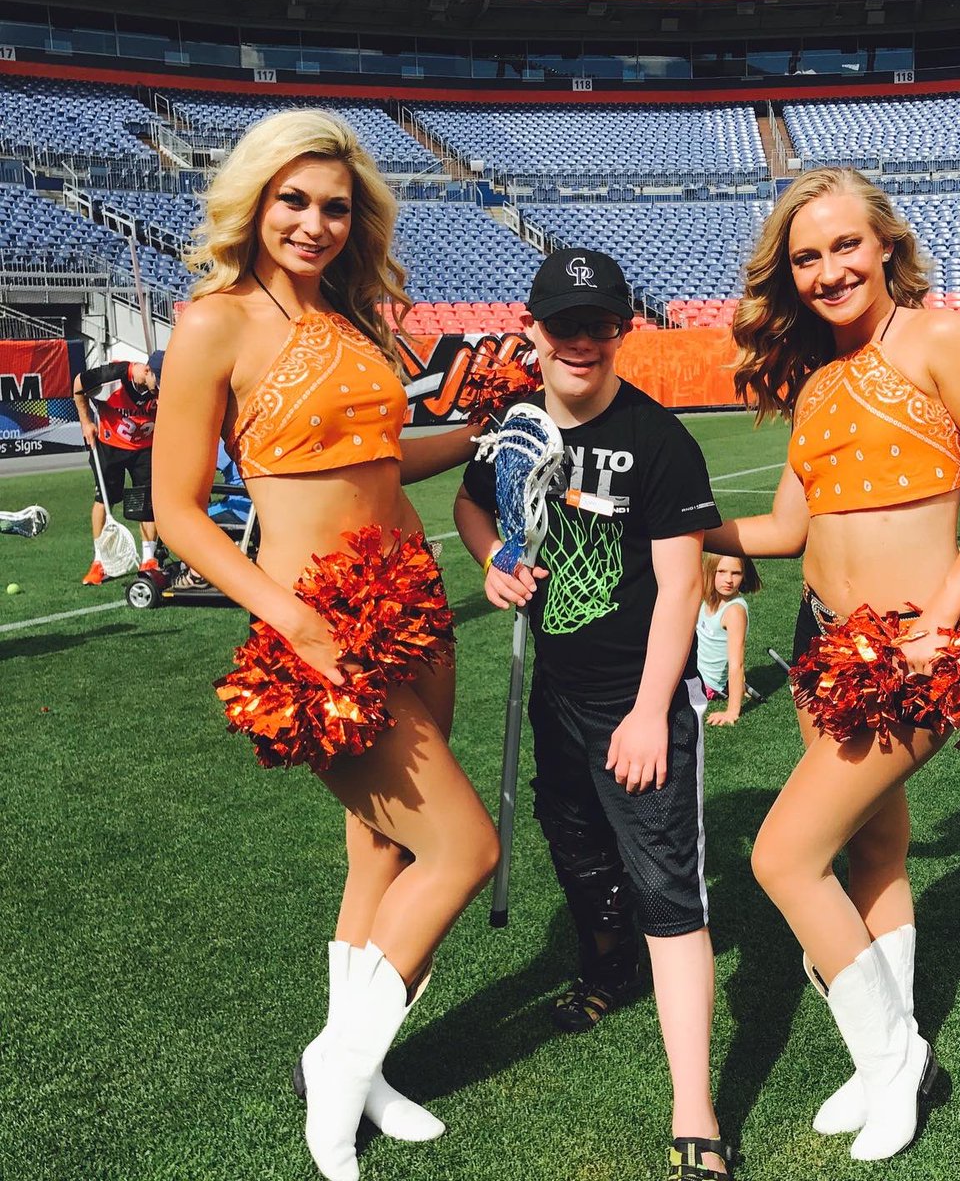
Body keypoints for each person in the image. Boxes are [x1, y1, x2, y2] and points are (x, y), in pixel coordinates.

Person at [151, 109, 499, 1181]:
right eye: (293, 201)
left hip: (415, 609)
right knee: (465, 850)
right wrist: (294, 620)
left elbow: (384, 463)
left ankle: (368, 1069)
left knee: (382, 850)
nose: (313, 223)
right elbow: (178, 512)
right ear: (256, 201)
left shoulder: (354, 321)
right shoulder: (214, 322)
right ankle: (335, 1072)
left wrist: (491, 434)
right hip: (322, 634)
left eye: (335, 207)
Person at [706, 168, 960, 1161]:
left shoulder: (942, 341)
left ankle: (895, 1059)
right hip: (823, 646)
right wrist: (681, 524)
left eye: (845, 246)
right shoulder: (813, 379)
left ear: (885, 243)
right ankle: (879, 1056)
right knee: (874, 853)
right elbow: (783, 525)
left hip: (916, 652)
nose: (827, 271)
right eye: (806, 258)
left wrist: (941, 616)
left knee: (781, 857)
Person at [454, 248, 736, 1181]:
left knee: (665, 884)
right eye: (562, 324)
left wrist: (654, 710)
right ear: (532, 328)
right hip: (558, 692)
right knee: (572, 839)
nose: (580, 340)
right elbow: (469, 504)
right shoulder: (513, 424)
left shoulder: (658, 442)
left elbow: (677, 584)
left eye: (599, 324)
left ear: (623, 330)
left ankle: (693, 1106)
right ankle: (608, 967)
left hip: (635, 698)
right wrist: (494, 558)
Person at [73, 350, 164, 583]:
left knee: (147, 501)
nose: (160, 393)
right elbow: (78, 385)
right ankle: (99, 561)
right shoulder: (113, 375)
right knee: (104, 500)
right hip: (109, 445)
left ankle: (149, 559)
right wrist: (86, 423)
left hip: (145, 448)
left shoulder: (166, 385)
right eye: (159, 385)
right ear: (147, 372)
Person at [695, 553, 762, 726]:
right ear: (710, 571)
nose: (728, 580)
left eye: (736, 573)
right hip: (695, 669)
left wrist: (732, 711)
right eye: (722, 571)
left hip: (706, 684)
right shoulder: (709, 599)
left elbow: (736, 663)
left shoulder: (734, 612)